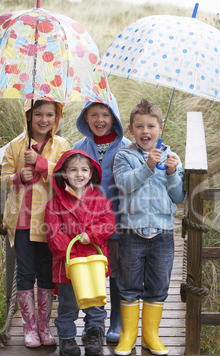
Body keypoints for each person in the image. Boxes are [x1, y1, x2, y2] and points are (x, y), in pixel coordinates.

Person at [112, 99, 184, 356]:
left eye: (151, 126)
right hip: (133, 231)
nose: (146, 131)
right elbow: (124, 185)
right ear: (131, 128)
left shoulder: (171, 157)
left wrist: (172, 173)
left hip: (163, 232)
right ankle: (128, 335)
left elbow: (177, 196)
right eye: (140, 126)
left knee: (158, 284)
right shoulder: (124, 155)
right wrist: (148, 166)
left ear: (160, 128)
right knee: (129, 283)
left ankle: (150, 336)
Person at [1, 98, 70, 348]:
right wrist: (19, 176)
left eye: (50, 115)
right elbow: (4, 179)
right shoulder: (15, 146)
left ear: (57, 117)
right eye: (38, 114)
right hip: (21, 221)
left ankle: (44, 326)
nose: (44, 120)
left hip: (49, 221)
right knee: (26, 272)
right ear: (28, 115)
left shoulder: (61, 145)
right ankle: (29, 328)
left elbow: (65, 175)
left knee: (46, 272)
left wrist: (41, 164)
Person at [44, 150, 116, 356]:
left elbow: (109, 224)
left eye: (84, 170)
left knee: (95, 302)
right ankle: (67, 338)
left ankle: (94, 334)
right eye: (73, 170)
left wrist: (91, 235)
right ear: (64, 174)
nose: (79, 174)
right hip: (69, 265)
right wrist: (72, 253)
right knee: (67, 303)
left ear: (91, 173)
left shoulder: (100, 200)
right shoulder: (55, 204)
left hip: (93, 262)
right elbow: (53, 234)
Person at [74, 94, 131, 343]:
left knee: (118, 273)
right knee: (91, 272)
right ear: (85, 117)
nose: (100, 120)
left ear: (114, 119)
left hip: (117, 223)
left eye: (106, 115)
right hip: (87, 225)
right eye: (94, 114)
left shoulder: (127, 147)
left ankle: (117, 322)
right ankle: (93, 321)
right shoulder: (79, 148)